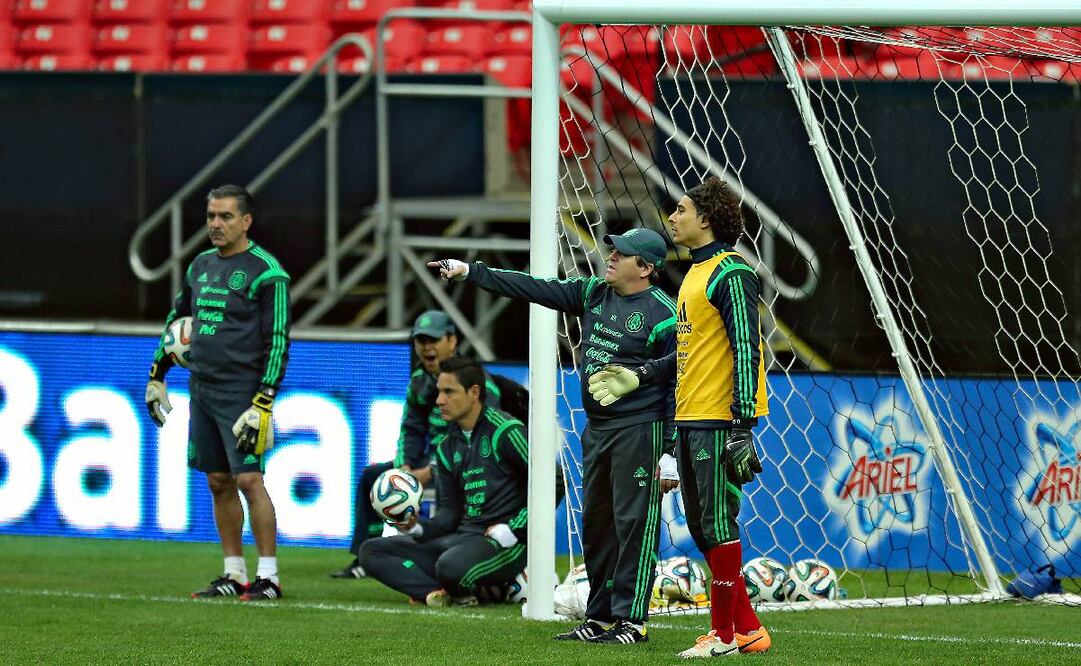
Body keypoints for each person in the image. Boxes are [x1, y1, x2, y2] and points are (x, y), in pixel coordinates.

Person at [429, 227, 679, 645]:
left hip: (642, 429)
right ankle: (598, 618)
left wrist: (669, 451)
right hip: (597, 429)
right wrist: (470, 272)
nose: (612, 255)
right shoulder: (594, 293)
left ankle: (631, 623)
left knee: (633, 524)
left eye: (624, 253)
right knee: (597, 524)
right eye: (613, 248)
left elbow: (677, 381)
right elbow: (533, 287)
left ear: (646, 268)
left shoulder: (664, 315)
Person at [587, 177, 772, 657]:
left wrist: (741, 426)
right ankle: (748, 629)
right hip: (690, 417)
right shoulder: (693, 274)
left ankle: (726, 635)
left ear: (705, 219)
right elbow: (690, 353)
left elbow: (747, 350)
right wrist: (642, 374)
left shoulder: (731, 274)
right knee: (700, 526)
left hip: (717, 418)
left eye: (682, 210)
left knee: (716, 523)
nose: (672, 218)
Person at [145, 184, 290, 601]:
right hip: (202, 388)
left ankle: (269, 577)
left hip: (243, 392)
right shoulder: (199, 267)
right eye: (211, 216)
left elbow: (278, 340)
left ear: (246, 221)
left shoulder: (268, 272)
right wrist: (157, 375)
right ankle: (233, 573)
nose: (215, 224)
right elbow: (177, 322)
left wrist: (264, 400)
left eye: (225, 216)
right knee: (217, 480)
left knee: (249, 478)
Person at [330, 310, 504, 579]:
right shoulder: (419, 381)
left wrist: (432, 471)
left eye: (433, 340)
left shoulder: (475, 382)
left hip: (468, 467)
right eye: (420, 341)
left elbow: (479, 437)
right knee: (372, 477)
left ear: (452, 341)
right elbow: (410, 430)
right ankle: (364, 555)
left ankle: (452, 554)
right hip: (429, 462)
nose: (426, 347)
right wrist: (405, 469)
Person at [357, 357, 532, 606]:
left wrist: (515, 529)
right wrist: (417, 528)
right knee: (371, 550)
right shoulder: (447, 447)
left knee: (449, 566)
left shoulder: (506, 431)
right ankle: (436, 593)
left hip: (506, 543)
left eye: (448, 392)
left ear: (474, 393)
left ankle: (485, 584)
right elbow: (450, 514)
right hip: (463, 539)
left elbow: (554, 480)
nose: (439, 400)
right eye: (439, 392)